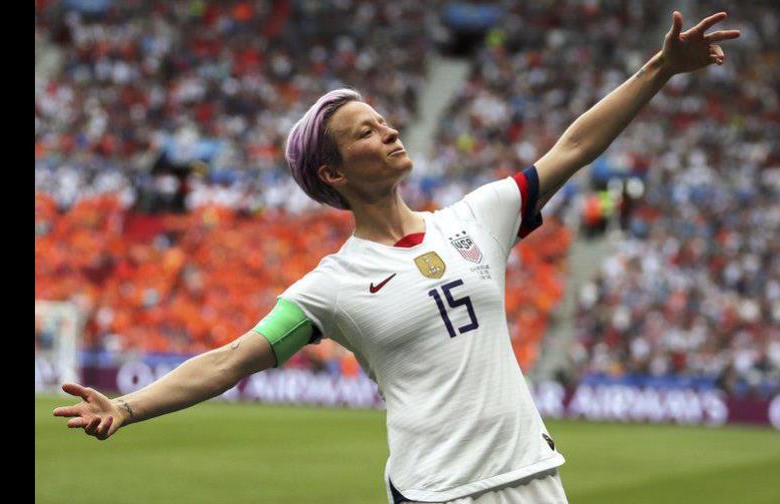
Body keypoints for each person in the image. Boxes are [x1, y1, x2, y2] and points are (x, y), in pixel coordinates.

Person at [53, 11, 738, 503]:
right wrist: (130, 407)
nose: (388, 130)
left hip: (535, 479)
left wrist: (660, 69)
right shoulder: (331, 287)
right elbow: (231, 360)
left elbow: (573, 148)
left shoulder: (480, 218)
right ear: (333, 173)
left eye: (383, 120)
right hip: (437, 493)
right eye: (365, 132)